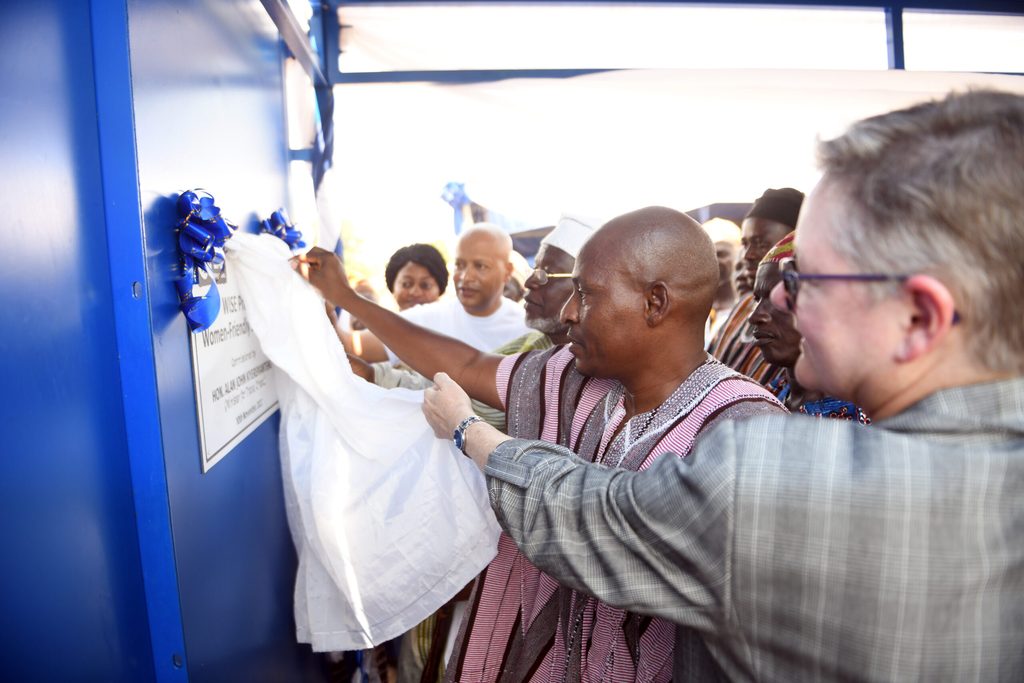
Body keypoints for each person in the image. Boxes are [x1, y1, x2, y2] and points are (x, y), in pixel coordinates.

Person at [421, 89, 1024, 680]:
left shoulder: (773, 474)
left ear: (918, 317)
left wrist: (471, 433)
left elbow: (591, 517)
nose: (781, 297)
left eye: (806, 275)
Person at [296, 207, 784, 681]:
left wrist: (472, 434)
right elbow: (466, 367)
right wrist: (348, 299)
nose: (569, 312)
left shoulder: (743, 432)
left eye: (585, 293)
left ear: (655, 303)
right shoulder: (574, 378)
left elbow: (620, 541)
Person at [344, 223, 530, 365]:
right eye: (460, 265)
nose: (466, 277)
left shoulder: (529, 331)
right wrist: (327, 301)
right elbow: (354, 347)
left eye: (480, 266)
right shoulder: (423, 319)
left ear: (507, 271)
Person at [750, 232, 870, 423]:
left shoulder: (869, 416)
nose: (755, 316)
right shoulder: (764, 399)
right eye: (757, 299)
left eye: (788, 293)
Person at [707, 187, 803, 385]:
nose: (748, 254)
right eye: (745, 244)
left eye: (760, 243)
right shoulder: (742, 308)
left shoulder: (801, 321)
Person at [701, 217, 742, 342]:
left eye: (721, 254)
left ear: (738, 256)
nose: (714, 261)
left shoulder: (746, 309)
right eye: (707, 255)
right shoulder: (695, 310)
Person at [385, 243, 449, 311]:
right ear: (392, 286)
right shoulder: (377, 321)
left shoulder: (454, 321)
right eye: (406, 284)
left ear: (440, 289)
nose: (416, 293)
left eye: (425, 285)